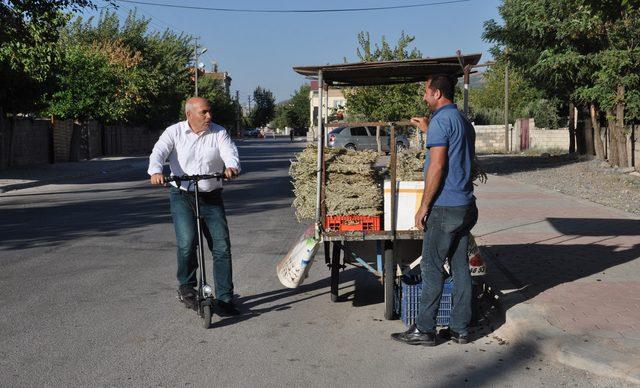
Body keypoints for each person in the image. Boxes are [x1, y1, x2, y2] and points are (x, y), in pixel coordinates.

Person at [391, 75, 478, 346]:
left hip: (445, 207)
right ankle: (460, 329)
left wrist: (424, 206)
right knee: (460, 267)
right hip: (465, 205)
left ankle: (425, 329)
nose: (424, 97)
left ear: (437, 93)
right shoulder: (462, 120)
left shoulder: (442, 121)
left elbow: (438, 166)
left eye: (426, 92)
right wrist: (431, 130)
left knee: (430, 267)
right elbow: (458, 155)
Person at [148, 97, 241, 315]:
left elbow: (230, 153)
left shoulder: (219, 132)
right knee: (187, 242)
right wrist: (155, 171)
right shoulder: (174, 132)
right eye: (204, 113)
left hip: (211, 196)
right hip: (183, 195)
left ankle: (225, 298)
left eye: (210, 112)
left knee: (221, 246)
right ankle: (186, 286)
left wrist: (231, 167)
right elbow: (159, 151)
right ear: (189, 114)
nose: (209, 116)